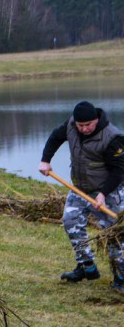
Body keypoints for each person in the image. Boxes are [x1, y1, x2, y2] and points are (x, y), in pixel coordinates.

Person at [38, 101, 124, 292]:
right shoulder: (71, 125)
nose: (84, 129)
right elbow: (55, 137)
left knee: (114, 235)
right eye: (80, 126)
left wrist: (103, 194)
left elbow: (119, 172)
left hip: (108, 191)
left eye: (88, 125)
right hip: (80, 189)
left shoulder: (112, 137)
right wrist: (45, 160)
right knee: (71, 221)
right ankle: (87, 267)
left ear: (96, 120)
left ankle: (121, 278)